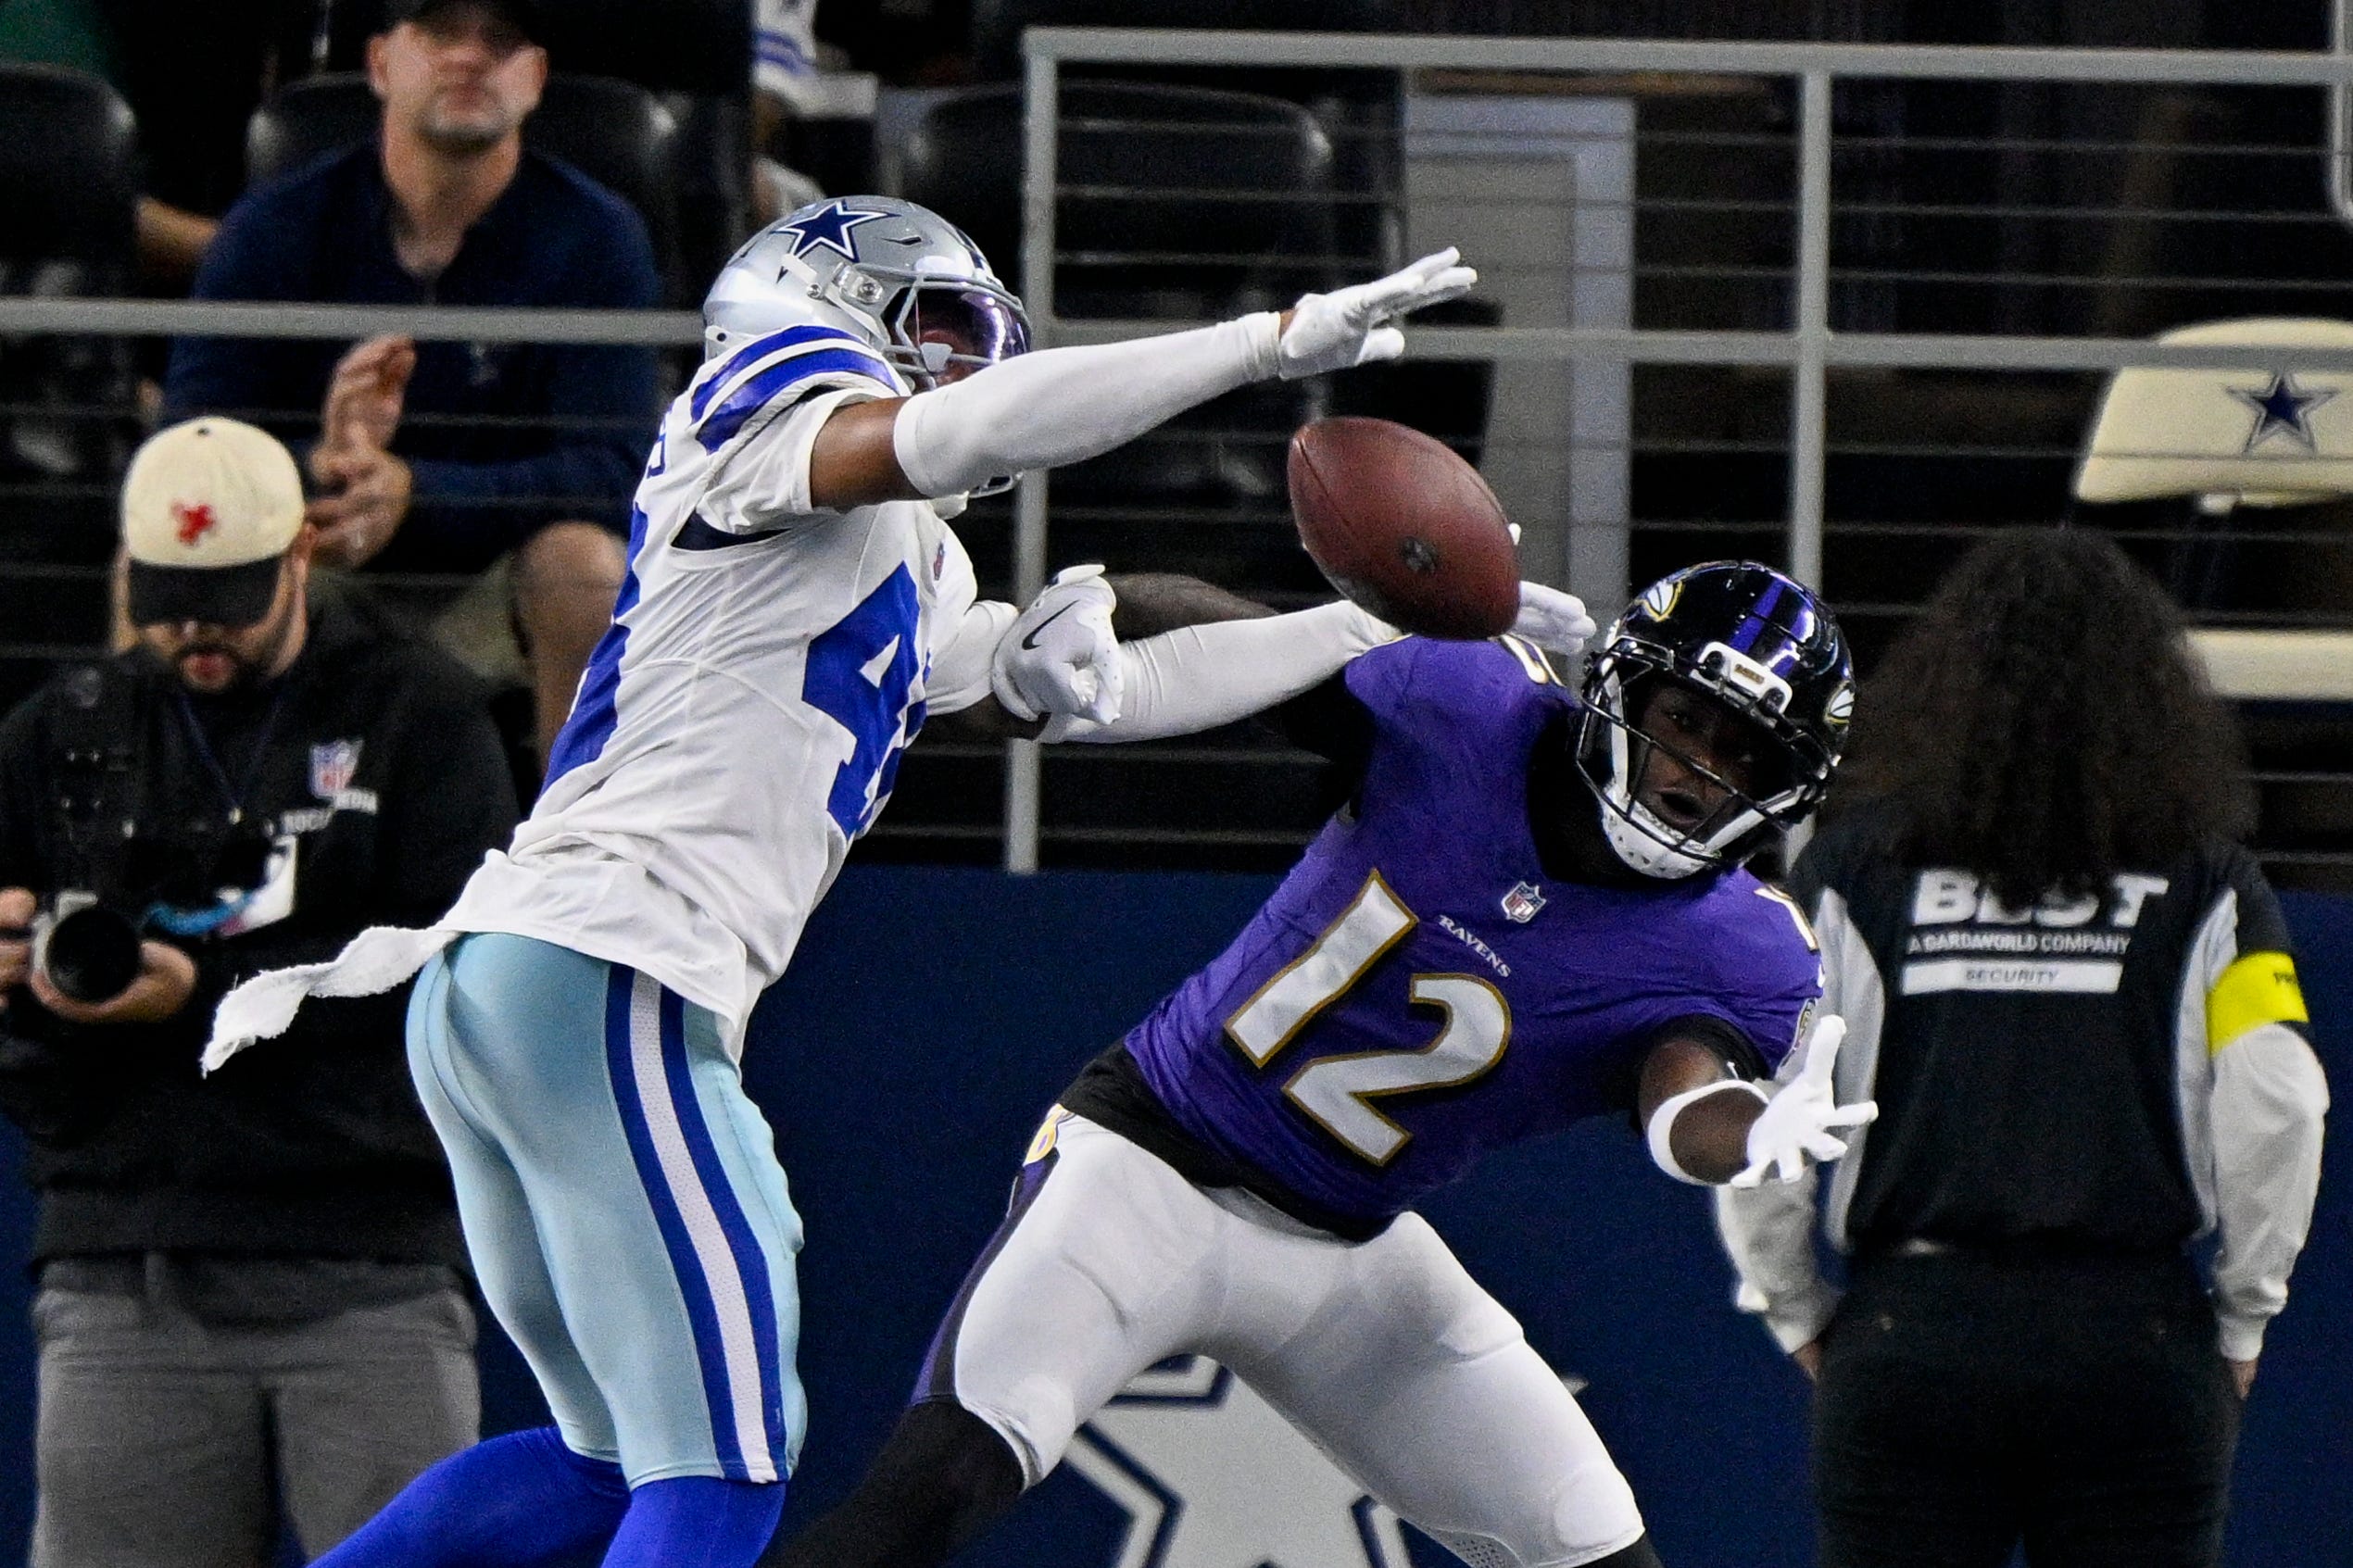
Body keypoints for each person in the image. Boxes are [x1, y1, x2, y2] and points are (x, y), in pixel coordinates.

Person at [200, 196, 1556, 1567]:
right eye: (947, 329)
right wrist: (1262, 345)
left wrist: (1375, 621)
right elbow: (958, 432)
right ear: (819, 292)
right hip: (612, 973)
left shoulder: (900, 558)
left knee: (614, 1466)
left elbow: (1114, 685)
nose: (969, 367)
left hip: (530, 985)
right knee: (723, 1470)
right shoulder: (759, 390)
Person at [754, 561, 1877, 1568]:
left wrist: (1745, 1135)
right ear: (1625, 686)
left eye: (1743, 755)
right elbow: (1246, 642)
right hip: (1146, 1165)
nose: (1695, 772)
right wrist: (1116, 601)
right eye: (1689, 719)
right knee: (931, 1491)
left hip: (1346, 1254)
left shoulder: (1742, 949)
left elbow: (1684, 1099)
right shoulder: (1466, 704)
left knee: (1589, 1546)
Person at [1714, 528, 2329, 1568]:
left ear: (1941, 689)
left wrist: (1794, 1306)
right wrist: (2240, 1319)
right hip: (2134, 1342)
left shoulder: (1847, 872)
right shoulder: (2211, 883)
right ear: (2148, 698)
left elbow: (1772, 1096)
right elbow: (2280, 1104)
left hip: (1912, 1335)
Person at [0, 416, 520, 1568]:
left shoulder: (421, 716)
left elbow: (463, 979)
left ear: (300, 554)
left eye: (230, 594)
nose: (196, 628)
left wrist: (202, 991)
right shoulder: (59, 735)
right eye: (172, 594)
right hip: (128, 1258)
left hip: (371, 1263)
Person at [161, 0, 661, 765]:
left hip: (500, 585)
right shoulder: (272, 228)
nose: (467, 58)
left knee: (585, 567)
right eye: (438, 35)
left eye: (497, 43)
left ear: (534, 79)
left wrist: (415, 491)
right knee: (160, 553)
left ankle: (585, 856)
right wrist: (317, 467)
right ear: (379, 62)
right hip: (310, 561)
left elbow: (619, 469)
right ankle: (156, 848)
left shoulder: (596, 236)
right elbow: (189, 441)